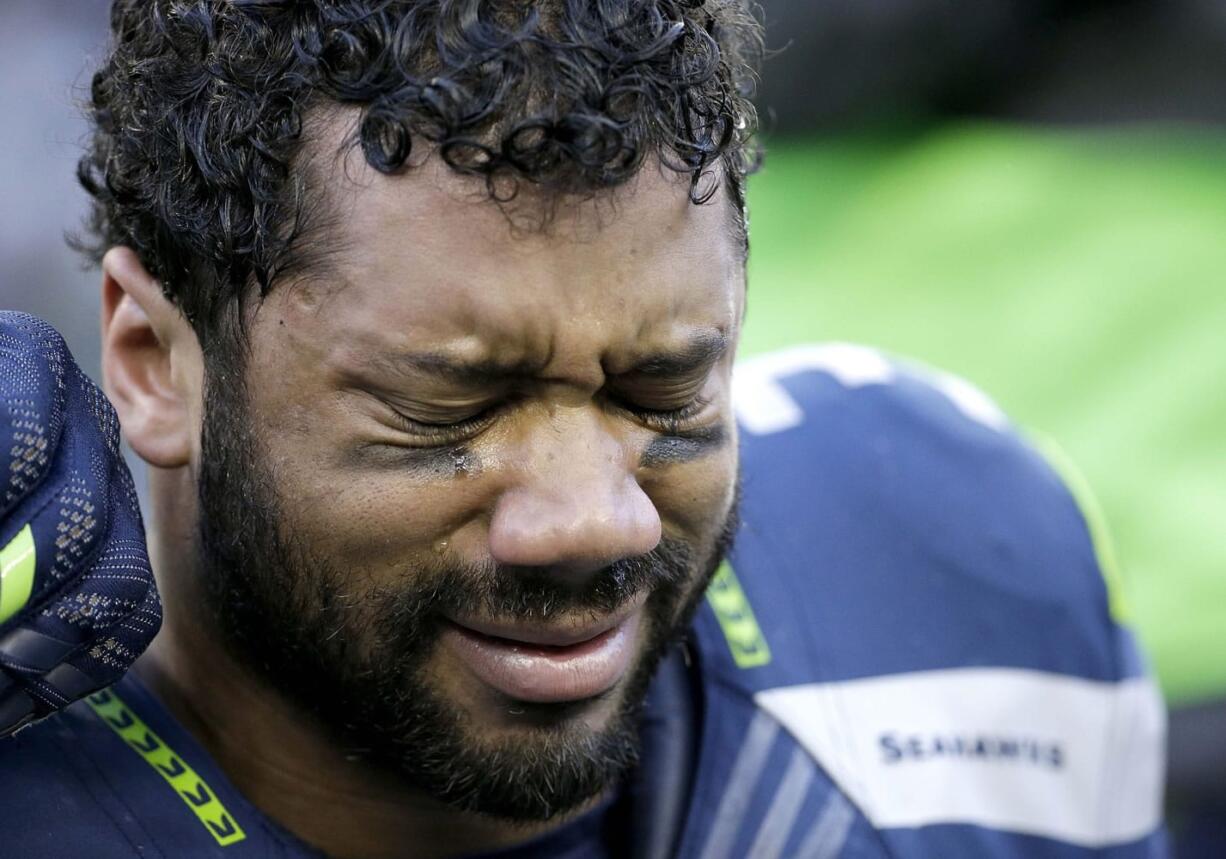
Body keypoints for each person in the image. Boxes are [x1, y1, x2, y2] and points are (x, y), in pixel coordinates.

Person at [0, 1, 1166, 856]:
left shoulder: (952, 573)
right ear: (156, 361)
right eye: (444, 407)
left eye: (664, 393)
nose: (589, 519)